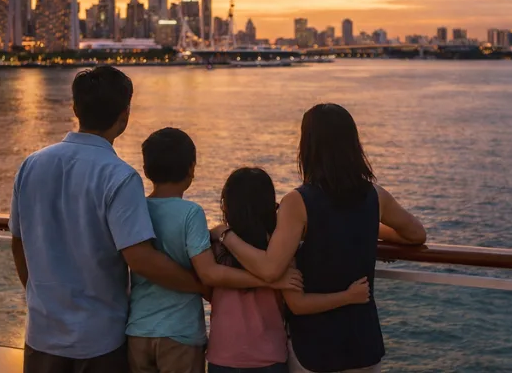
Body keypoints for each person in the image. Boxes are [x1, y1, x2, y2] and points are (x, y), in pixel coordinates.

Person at [9, 67, 205, 373]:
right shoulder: (119, 176)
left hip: (42, 333)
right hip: (99, 340)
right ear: (125, 115)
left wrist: (39, 297)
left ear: (75, 109)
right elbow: (140, 258)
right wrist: (201, 285)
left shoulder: (31, 165)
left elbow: (19, 244)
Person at [213, 103, 427, 373]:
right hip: (363, 343)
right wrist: (366, 226)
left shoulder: (298, 202)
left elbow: (270, 269)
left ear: (308, 146)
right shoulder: (375, 195)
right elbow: (416, 234)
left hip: (316, 346)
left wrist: (224, 233)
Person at [127, 129, 303, 373]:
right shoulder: (192, 214)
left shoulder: (137, 211)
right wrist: (270, 280)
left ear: (146, 170)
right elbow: (209, 275)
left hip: (139, 329)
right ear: (191, 169)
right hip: (183, 333)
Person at [208, 167, 370, 373]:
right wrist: (347, 296)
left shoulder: (215, 247)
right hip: (269, 356)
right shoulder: (279, 250)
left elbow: (205, 287)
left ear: (228, 204)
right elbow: (299, 305)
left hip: (223, 355)